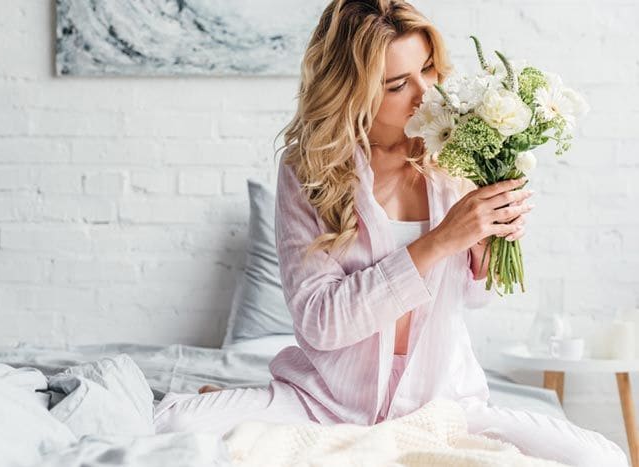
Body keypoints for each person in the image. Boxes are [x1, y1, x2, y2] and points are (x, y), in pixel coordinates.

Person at [154, 1, 628, 465]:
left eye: (429, 69)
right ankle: (264, 410)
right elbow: (320, 321)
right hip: (327, 402)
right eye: (399, 84)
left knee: (597, 456)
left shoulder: (458, 150)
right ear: (352, 91)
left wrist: (488, 241)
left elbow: (473, 297)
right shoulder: (310, 170)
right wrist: (440, 240)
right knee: (171, 425)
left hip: (444, 402)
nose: (426, 93)